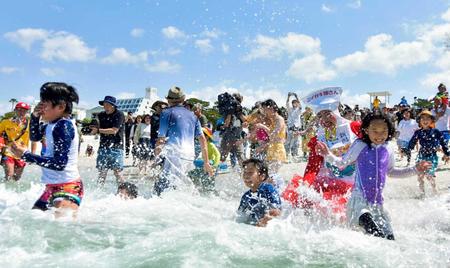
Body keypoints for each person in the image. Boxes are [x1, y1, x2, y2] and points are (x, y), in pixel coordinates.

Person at [315, 112, 431, 240]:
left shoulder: (388, 148)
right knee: (372, 228)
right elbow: (342, 164)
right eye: (374, 130)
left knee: (389, 239)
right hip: (360, 200)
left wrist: (415, 169)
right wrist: (327, 154)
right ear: (366, 130)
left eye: (384, 131)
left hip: (377, 203)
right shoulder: (360, 145)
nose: (379, 135)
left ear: (390, 130)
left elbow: (391, 171)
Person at [282, 87, 361, 216]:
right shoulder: (318, 137)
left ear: (335, 112)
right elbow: (313, 166)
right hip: (328, 182)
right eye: (320, 115)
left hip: (352, 183)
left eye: (327, 114)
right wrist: (306, 183)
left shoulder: (354, 128)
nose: (324, 119)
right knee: (302, 199)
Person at [11, 82, 83, 216]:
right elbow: (35, 136)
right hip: (52, 187)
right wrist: (35, 116)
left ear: (61, 107)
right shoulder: (52, 124)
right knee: (34, 221)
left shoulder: (64, 126)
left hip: (69, 187)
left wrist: (26, 155)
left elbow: (59, 164)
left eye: (45, 104)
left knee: (62, 228)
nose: (41, 107)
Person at [153, 86, 213, 195]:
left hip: (174, 154)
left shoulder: (166, 113)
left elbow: (161, 140)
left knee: (162, 189)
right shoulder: (193, 116)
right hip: (189, 156)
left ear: (168, 100)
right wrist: (206, 162)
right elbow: (202, 139)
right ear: (183, 99)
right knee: (178, 186)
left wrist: (156, 158)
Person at [407, 110, 450, 197]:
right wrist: (407, 149)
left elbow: (443, 143)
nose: (425, 120)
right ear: (419, 121)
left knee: (429, 175)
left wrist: (447, 153)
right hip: (421, 155)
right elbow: (412, 142)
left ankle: (435, 191)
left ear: (431, 121)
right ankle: (422, 193)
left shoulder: (436, 131)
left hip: (432, 157)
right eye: (423, 118)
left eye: (427, 118)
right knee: (420, 175)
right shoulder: (418, 132)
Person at [236, 158, 281, 227]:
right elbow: (240, 215)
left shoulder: (268, 189)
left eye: (250, 173)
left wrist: (266, 219)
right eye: (245, 172)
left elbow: (277, 210)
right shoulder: (246, 196)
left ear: (262, 176)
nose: (246, 176)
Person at [90, 96, 125, 186]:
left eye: (107, 104)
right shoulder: (101, 115)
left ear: (113, 105)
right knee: (102, 172)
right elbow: (95, 127)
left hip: (116, 147)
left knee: (117, 172)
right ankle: (98, 192)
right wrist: (92, 128)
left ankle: (124, 191)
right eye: (104, 104)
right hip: (103, 147)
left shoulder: (119, 114)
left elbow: (114, 131)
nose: (105, 106)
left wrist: (98, 130)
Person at [0, 102, 30, 181]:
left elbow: (35, 140)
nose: (21, 112)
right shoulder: (5, 122)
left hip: (22, 153)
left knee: (16, 179)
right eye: (19, 110)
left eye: (24, 111)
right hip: (8, 152)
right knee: (9, 175)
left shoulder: (29, 124)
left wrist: (32, 154)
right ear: (15, 110)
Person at [255, 99, 287, 174]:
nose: (265, 112)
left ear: (271, 108)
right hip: (272, 149)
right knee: (270, 175)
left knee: (272, 175)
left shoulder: (279, 119)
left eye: (265, 110)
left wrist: (263, 127)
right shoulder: (274, 120)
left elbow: (274, 135)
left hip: (278, 150)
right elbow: (272, 136)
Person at [188, 127, 220, 194]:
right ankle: (198, 188)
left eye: (202, 135)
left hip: (212, 166)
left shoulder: (211, 145)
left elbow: (217, 155)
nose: (199, 137)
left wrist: (214, 165)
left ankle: (212, 193)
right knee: (192, 174)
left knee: (208, 180)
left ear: (207, 137)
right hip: (204, 165)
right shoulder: (201, 145)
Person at [285, 92, 302, 161]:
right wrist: (288, 97)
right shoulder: (290, 109)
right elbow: (287, 104)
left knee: (296, 142)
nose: (295, 104)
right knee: (288, 141)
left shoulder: (299, 110)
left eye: (296, 103)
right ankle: (287, 154)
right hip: (290, 127)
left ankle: (294, 154)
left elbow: (300, 105)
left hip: (297, 127)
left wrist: (296, 97)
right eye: (293, 103)